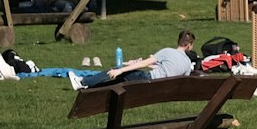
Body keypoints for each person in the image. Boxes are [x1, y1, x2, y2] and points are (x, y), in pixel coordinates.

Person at [69, 30, 198, 90]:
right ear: (189, 45)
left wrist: (121, 69)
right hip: (161, 88)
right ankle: (91, 88)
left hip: (148, 81)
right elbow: (178, 78)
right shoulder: (187, 63)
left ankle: (82, 81)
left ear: (179, 41)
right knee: (121, 79)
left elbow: (144, 63)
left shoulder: (167, 51)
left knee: (117, 72)